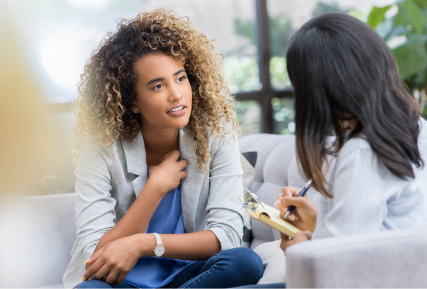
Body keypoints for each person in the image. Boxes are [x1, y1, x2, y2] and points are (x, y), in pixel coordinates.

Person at [62, 9, 263, 289]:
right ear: (131, 100)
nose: (176, 94)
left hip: (190, 274)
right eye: (157, 86)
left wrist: (145, 244)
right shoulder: (101, 146)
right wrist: (154, 188)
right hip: (121, 279)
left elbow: (227, 236)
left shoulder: (215, 133)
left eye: (180, 78)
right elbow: (95, 252)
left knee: (244, 262)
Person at [277, 12, 427, 256]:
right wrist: (316, 225)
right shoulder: (418, 129)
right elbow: (380, 234)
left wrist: (297, 249)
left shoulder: (362, 153)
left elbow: (342, 270)